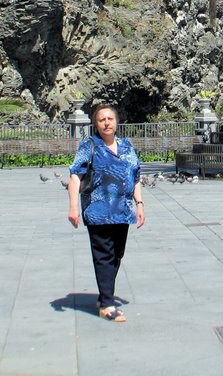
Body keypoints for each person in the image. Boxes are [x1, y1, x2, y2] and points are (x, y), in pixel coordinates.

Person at [67, 103, 145, 322]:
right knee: (103, 255)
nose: (106, 123)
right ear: (96, 124)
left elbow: (136, 176)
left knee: (116, 255)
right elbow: (75, 176)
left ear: (117, 121)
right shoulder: (89, 145)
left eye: (110, 118)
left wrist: (139, 204)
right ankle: (107, 305)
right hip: (98, 211)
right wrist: (73, 206)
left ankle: (104, 296)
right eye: (101, 120)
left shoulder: (127, 146)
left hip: (123, 211)